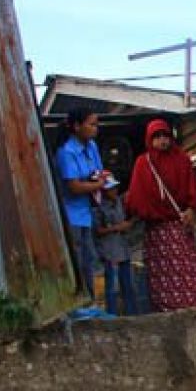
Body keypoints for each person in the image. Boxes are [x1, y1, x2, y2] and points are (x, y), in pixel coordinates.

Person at [125, 119, 196, 311]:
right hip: (155, 228)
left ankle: (191, 306)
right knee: (162, 271)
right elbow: (137, 195)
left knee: (184, 267)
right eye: (157, 136)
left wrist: (192, 209)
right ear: (149, 139)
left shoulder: (182, 159)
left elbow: (192, 187)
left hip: (179, 223)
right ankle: (166, 309)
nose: (162, 140)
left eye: (165, 135)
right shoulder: (143, 163)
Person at [55, 108, 111, 301]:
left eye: (97, 124)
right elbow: (74, 186)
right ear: (77, 126)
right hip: (72, 215)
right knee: (78, 259)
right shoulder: (66, 151)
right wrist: (98, 184)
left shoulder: (92, 146)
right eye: (92, 124)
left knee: (90, 260)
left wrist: (102, 179)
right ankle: (79, 301)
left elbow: (98, 171)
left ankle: (91, 301)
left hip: (88, 213)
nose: (96, 128)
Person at [93, 177, 139, 315]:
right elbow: (98, 231)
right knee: (111, 288)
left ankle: (132, 314)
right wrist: (117, 227)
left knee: (128, 285)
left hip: (123, 248)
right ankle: (111, 316)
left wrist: (128, 224)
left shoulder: (120, 202)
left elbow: (131, 217)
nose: (114, 191)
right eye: (111, 189)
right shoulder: (99, 207)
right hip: (109, 250)